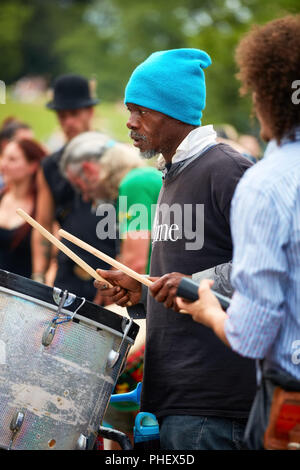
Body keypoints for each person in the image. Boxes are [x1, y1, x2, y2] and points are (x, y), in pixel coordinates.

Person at [94, 48, 257, 450]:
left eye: (141, 111)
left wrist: (190, 285)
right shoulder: (171, 175)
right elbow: (184, 280)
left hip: (214, 405)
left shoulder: (226, 169)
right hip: (175, 399)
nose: (130, 122)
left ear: (175, 111)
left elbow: (272, 267)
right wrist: (142, 292)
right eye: (130, 110)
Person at [176, 16, 300, 450]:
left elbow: (252, 333)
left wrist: (209, 308)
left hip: (290, 401)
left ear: (268, 94)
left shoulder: (266, 184)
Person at [59, 131, 162, 447]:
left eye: (82, 189)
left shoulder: (135, 183)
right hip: (160, 300)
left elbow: (133, 259)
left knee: (97, 380)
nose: (88, 199)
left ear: (91, 172)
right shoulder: (143, 180)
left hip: (156, 306)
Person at [31, 74, 117, 300]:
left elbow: (133, 221)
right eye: (62, 115)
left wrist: (123, 276)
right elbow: (42, 226)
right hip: (67, 276)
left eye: (74, 114)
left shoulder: (115, 157)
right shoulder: (49, 166)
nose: (68, 122)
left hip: (113, 277)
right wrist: (39, 277)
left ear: (90, 112)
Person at [59, 131, 162, 274]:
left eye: (79, 186)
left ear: (88, 170)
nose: (85, 198)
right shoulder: (137, 181)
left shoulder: (134, 183)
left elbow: (135, 263)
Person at [0, 139, 47, 278]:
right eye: (3, 157)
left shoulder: (42, 209)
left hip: (20, 293)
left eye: (12, 159)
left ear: (32, 166)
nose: (3, 165)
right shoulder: (2, 196)